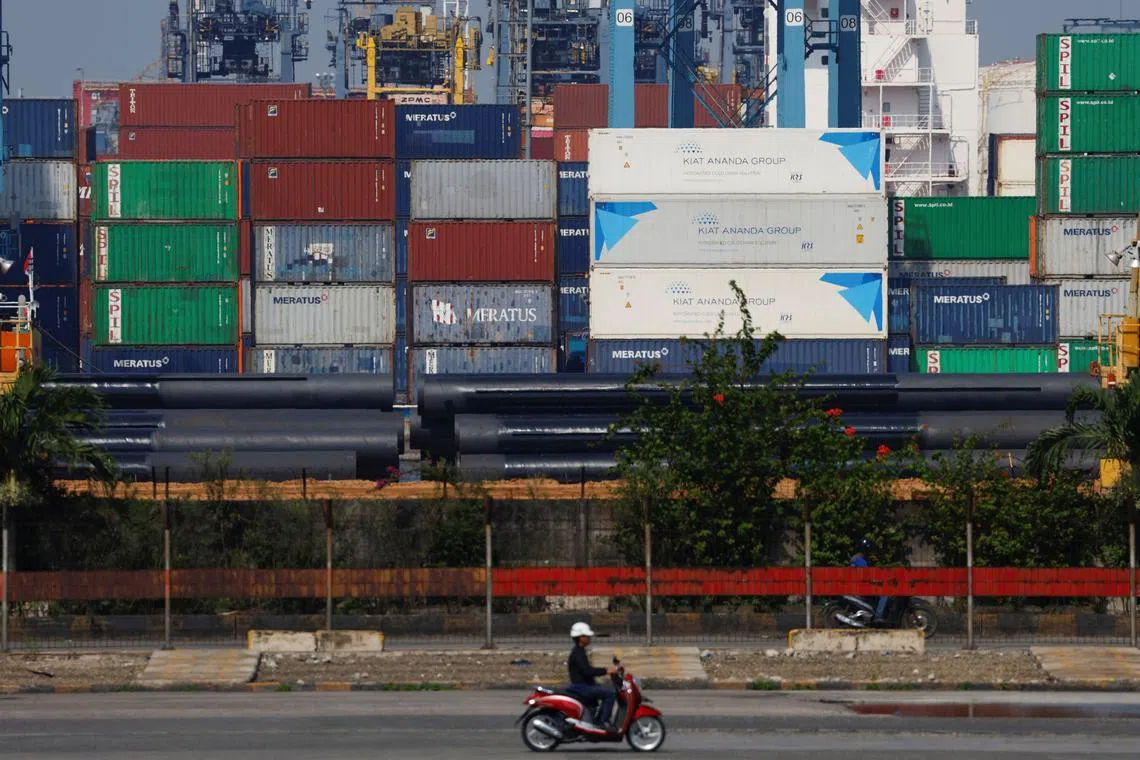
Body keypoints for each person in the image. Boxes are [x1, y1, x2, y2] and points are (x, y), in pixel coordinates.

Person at [566, 622, 618, 729]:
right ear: (581, 637)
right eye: (587, 636)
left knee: (605, 689)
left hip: (583, 685)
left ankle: (596, 720)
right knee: (610, 693)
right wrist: (606, 670)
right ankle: (603, 722)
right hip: (581, 687)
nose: (589, 638)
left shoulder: (579, 651)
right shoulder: (578, 653)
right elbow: (587, 671)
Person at [850, 537, 890, 624]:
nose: (871, 552)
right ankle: (878, 616)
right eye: (870, 549)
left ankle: (872, 612)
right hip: (860, 588)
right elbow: (867, 577)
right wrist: (878, 581)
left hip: (857, 586)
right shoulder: (860, 561)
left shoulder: (856, 558)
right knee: (885, 593)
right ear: (866, 549)